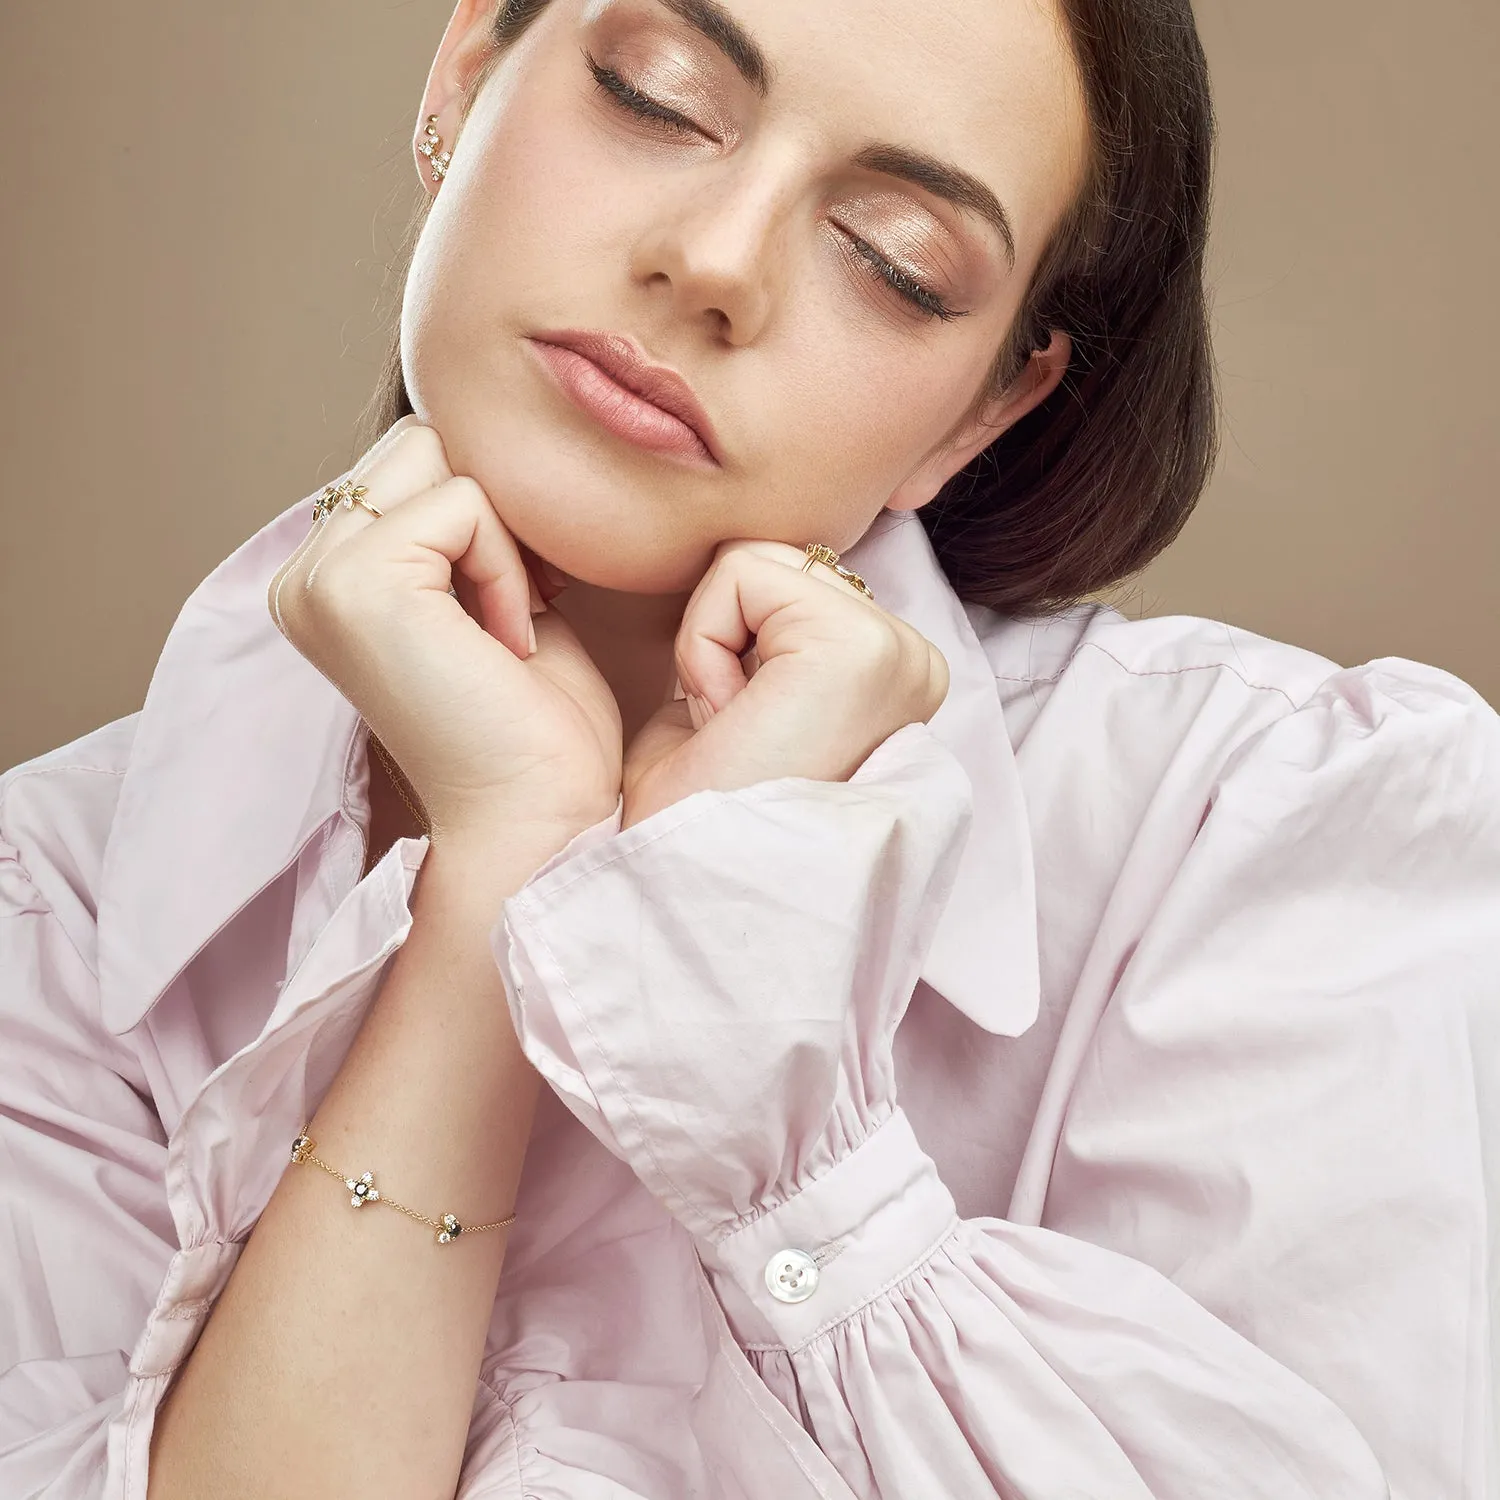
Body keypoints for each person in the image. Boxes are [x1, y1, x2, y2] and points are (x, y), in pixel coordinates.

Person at [1, 0, 1495, 1494]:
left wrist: (796, 1154)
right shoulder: (51, 922)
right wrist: (498, 882)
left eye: (894, 258)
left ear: (978, 415)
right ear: (464, 70)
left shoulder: (1252, 836)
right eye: (656, 98)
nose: (714, 263)